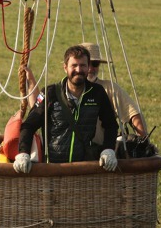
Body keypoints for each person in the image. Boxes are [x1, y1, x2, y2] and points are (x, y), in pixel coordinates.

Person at [13, 45, 119, 173]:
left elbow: (111, 124)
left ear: (88, 67)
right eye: (74, 65)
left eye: (83, 65)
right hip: (53, 168)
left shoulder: (97, 93)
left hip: (84, 168)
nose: (78, 70)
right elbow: (29, 125)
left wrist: (108, 150)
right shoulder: (49, 93)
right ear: (65, 67)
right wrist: (23, 153)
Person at [80, 42, 148, 140]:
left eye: (95, 64)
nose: (91, 69)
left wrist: (144, 141)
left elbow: (133, 114)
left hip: (101, 149)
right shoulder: (65, 89)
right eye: (86, 64)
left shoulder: (110, 88)